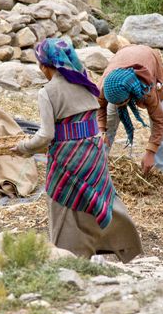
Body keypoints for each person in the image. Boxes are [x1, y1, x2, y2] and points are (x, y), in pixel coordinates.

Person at [13, 38, 142, 263]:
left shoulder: (48, 92)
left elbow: (46, 135)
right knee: (101, 196)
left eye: (40, 65)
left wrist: (23, 148)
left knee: (64, 204)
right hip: (93, 151)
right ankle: (125, 245)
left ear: (45, 65)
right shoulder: (85, 79)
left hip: (67, 156)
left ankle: (67, 255)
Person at [97, 44, 163, 174]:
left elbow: (159, 122)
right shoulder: (105, 86)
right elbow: (100, 107)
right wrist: (101, 131)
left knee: (162, 132)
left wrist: (151, 152)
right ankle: (99, 168)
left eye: (122, 103)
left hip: (150, 65)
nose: (120, 106)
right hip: (124, 56)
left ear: (131, 95)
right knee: (108, 124)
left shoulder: (147, 89)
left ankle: (160, 171)